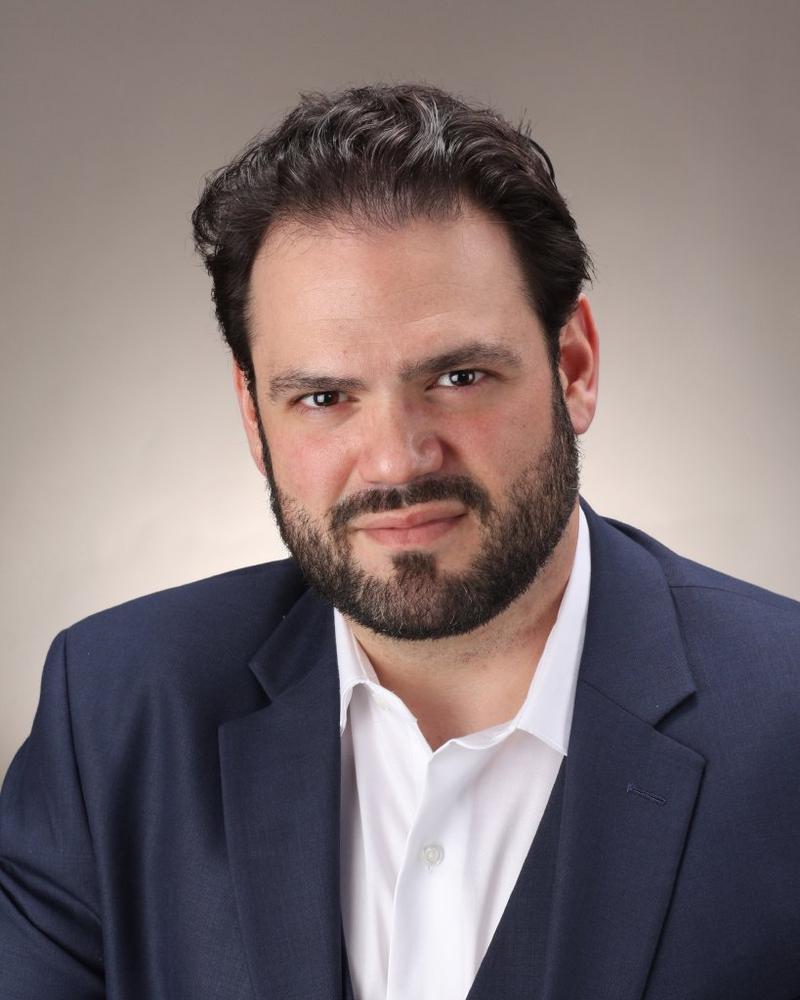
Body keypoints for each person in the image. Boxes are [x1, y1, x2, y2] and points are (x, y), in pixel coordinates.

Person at [1, 83, 798, 1000]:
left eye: (460, 377)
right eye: (323, 397)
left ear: (573, 367)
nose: (395, 459)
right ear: (254, 419)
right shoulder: (113, 715)